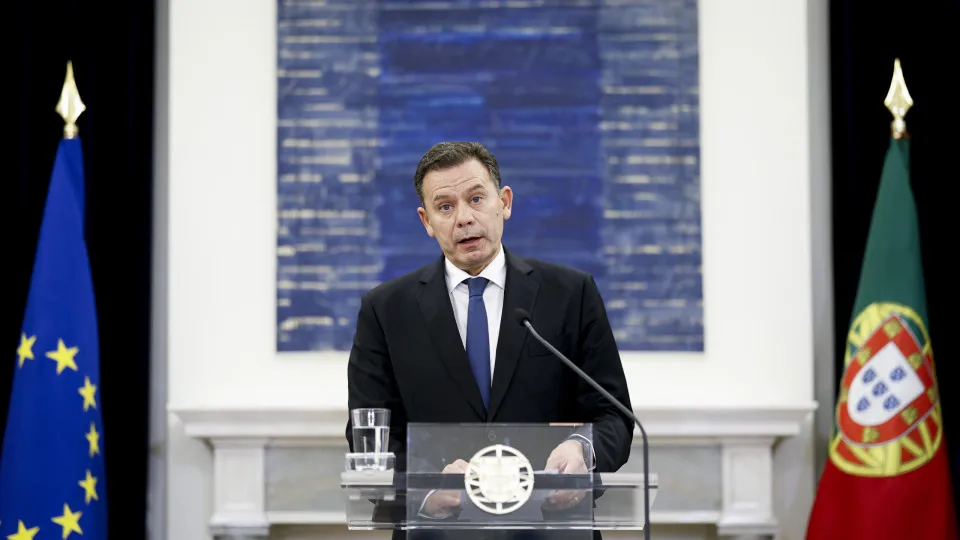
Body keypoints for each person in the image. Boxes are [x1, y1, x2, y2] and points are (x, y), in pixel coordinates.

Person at [346, 142, 634, 539]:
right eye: (445, 206)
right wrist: (426, 489)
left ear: (505, 202)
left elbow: (614, 416)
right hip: (439, 533)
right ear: (426, 221)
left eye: (476, 199)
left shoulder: (571, 294)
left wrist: (581, 448)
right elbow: (370, 434)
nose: (464, 218)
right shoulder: (385, 310)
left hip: (551, 529)